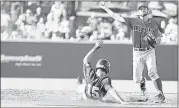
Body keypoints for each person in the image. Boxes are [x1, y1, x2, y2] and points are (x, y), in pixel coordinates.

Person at [99, 1, 165, 103]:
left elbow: (159, 39)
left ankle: (160, 94)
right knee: (136, 80)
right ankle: (142, 82)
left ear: (148, 10)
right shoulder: (133, 20)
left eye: (144, 8)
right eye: (140, 9)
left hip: (149, 51)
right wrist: (106, 8)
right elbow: (117, 17)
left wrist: (156, 42)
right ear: (138, 11)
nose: (142, 10)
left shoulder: (153, 24)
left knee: (152, 72)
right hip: (137, 52)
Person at [76, 40, 125, 104]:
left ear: (97, 67)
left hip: (85, 97)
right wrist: (121, 101)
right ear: (107, 69)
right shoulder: (105, 80)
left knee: (83, 87)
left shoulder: (90, 73)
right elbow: (111, 91)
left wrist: (95, 47)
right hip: (97, 100)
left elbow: (85, 59)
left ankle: (80, 84)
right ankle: (81, 84)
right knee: (103, 97)